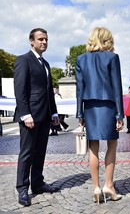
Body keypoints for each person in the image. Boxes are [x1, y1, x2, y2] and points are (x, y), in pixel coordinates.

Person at [76, 27, 124, 204]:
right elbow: (117, 87)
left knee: (92, 147)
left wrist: (79, 113)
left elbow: (79, 89)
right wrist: (120, 114)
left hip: (89, 106)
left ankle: (96, 187)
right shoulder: (112, 57)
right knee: (112, 144)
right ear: (107, 40)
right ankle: (108, 185)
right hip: (109, 105)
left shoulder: (81, 59)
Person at [13, 28, 60, 206]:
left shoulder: (46, 64)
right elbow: (20, 90)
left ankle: (38, 183)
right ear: (31, 41)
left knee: (40, 152)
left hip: (45, 116)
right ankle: (22, 188)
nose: (44, 42)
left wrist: (54, 112)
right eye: (40, 39)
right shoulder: (23, 60)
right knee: (27, 153)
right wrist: (25, 114)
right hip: (30, 117)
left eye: (46, 39)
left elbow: (49, 92)